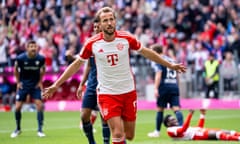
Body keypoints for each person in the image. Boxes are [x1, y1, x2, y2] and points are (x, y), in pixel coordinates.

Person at [43, 7, 186, 144]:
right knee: (117, 133)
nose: (109, 23)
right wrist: (56, 85)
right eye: (105, 20)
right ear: (99, 24)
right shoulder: (92, 44)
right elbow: (76, 65)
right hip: (107, 94)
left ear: (115, 21)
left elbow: (147, 52)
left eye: (111, 19)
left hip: (128, 92)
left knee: (129, 135)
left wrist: (170, 65)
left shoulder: (126, 38)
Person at [66, 18, 110, 144]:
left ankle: (106, 142)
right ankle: (92, 142)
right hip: (91, 85)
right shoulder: (91, 44)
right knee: (84, 115)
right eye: (94, 27)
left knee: (104, 117)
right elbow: (88, 65)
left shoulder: (109, 42)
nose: (96, 29)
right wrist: (81, 84)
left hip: (105, 85)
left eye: (98, 27)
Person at [10, 40, 46, 138]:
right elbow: (15, 69)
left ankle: (40, 130)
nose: (33, 48)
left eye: (35, 46)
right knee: (17, 107)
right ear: (27, 48)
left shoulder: (41, 58)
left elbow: (43, 69)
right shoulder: (20, 58)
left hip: (35, 86)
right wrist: (18, 82)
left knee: (39, 105)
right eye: (31, 46)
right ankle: (18, 129)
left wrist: (40, 82)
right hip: (23, 85)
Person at [148, 44, 183, 138]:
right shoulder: (172, 59)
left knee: (160, 108)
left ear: (155, 52)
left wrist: (155, 88)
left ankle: (157, 132)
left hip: (164, 86)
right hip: (174, 85)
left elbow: (158, 74)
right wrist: (177, 86)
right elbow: (177, 74)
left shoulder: (158, 60)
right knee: (176, 108)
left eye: (151, 51)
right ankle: (182, 129)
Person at [163, 109, 240, 141]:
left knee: (225, 131)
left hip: (199, 131)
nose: (175, 120)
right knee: (219, 134)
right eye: (172, 120)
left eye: (174, 118)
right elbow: (183, 130)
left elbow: (199, 127)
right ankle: (238, 139)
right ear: (168, 124)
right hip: (196, 135)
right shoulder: (170, 130)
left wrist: (202, 115)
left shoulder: (177, 127)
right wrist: (190, 115)